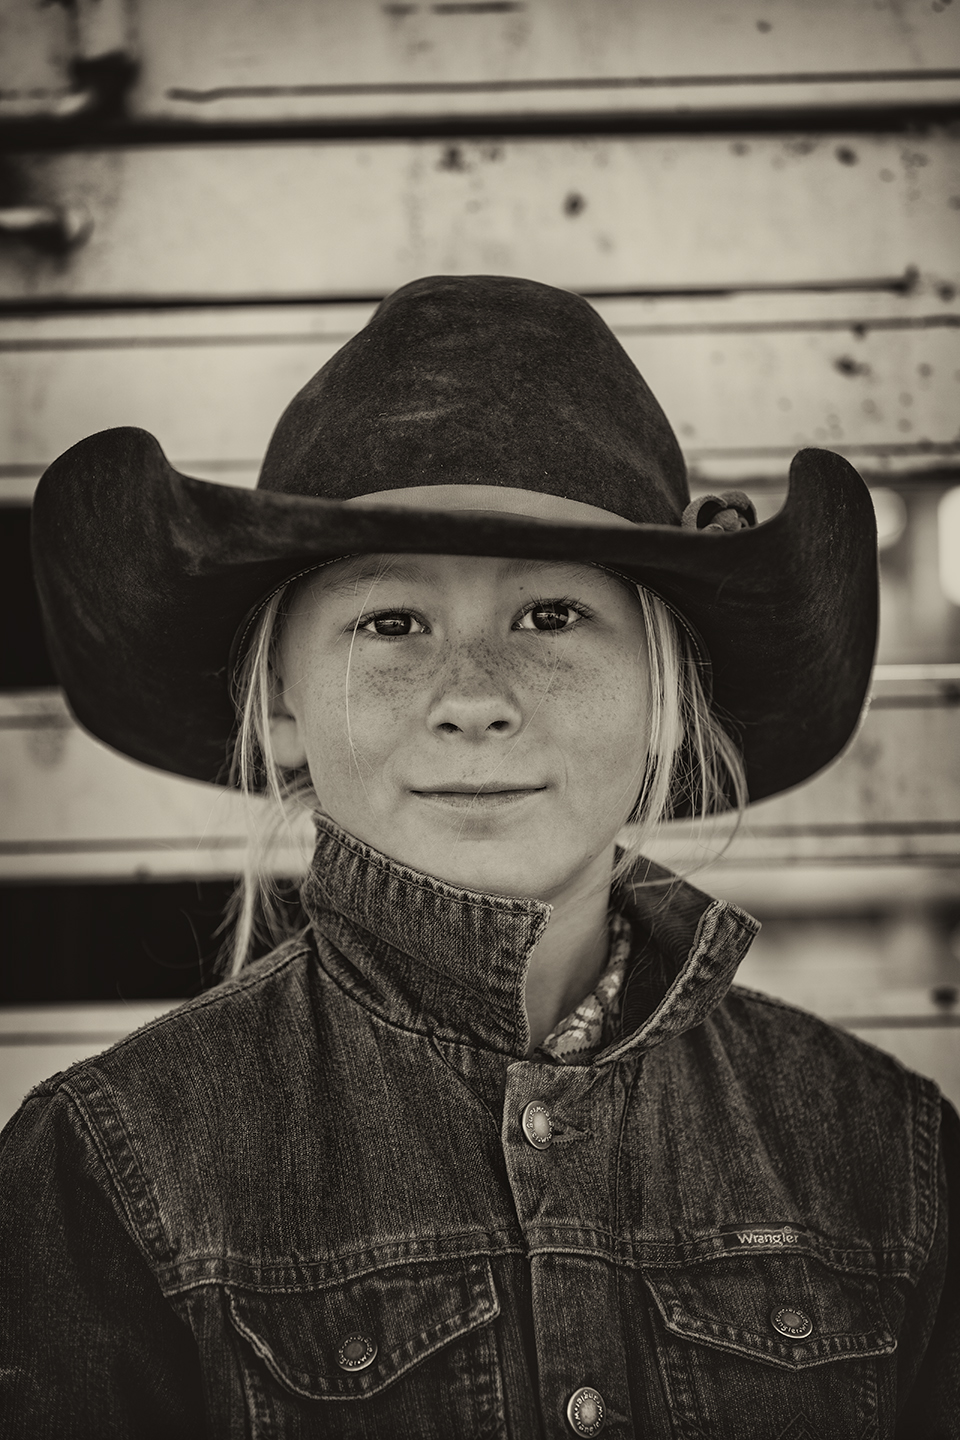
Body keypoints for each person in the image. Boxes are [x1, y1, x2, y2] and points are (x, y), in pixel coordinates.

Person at [1, 275, 956, 1439]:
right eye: (391, 623)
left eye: (551, 616)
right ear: (286, 701)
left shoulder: (886, 1157)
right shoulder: (111, 1169)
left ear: (667, 690)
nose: (474, 701)